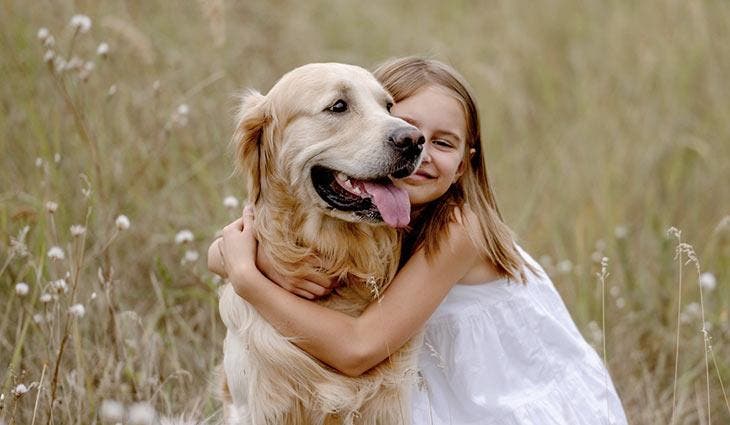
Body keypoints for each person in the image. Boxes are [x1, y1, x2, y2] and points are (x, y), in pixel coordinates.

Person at [209, 57, 628, 424]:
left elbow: (359, 348)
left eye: (442, 142)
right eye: (339, 108)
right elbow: (229, 243)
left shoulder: (458, 228)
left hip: (504, 404)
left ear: (466, 163)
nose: (412, 144)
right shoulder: (373, 211)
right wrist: (230, 257)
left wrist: (248, 279)